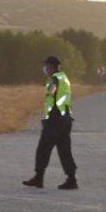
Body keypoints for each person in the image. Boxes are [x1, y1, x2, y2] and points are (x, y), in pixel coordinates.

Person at [23, 55, 78, 189]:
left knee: (44, 147)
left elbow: (52, 91)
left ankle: (39, 177)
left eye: (46, 65)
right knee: (64, 149)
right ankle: (71, 179)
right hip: (65, 118)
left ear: (51, 66)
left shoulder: (54, 79)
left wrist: (49, 93)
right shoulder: (64, 78)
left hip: (55, 119)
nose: (45, 68)